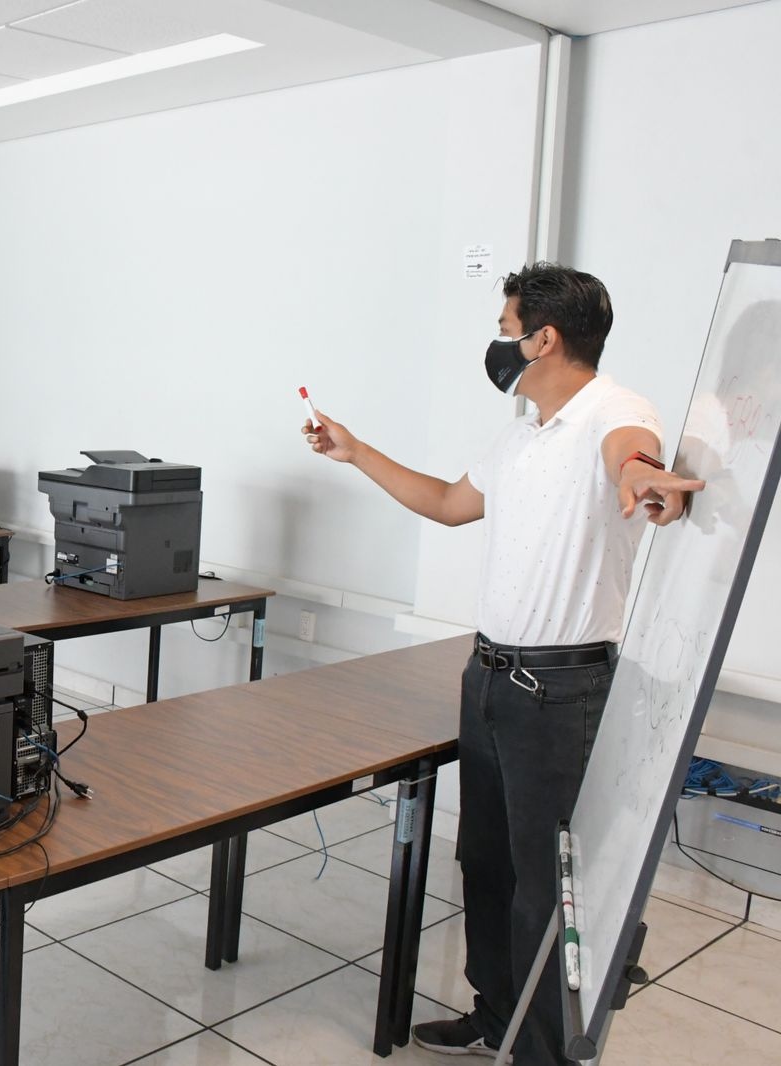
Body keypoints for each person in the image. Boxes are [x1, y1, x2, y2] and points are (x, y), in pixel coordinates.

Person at [303, 263, 702, 1066]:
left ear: (543, 338)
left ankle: (542, 1053)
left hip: (561, 690)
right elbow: (452, 504)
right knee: (482, 861)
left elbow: (634, 454)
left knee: (546, 889)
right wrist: (356, 453)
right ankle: (495, 1017)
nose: (499, 340)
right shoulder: (521, 431)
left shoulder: (614, 412)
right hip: (488, 676)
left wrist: (646, 480)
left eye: (506, 324)